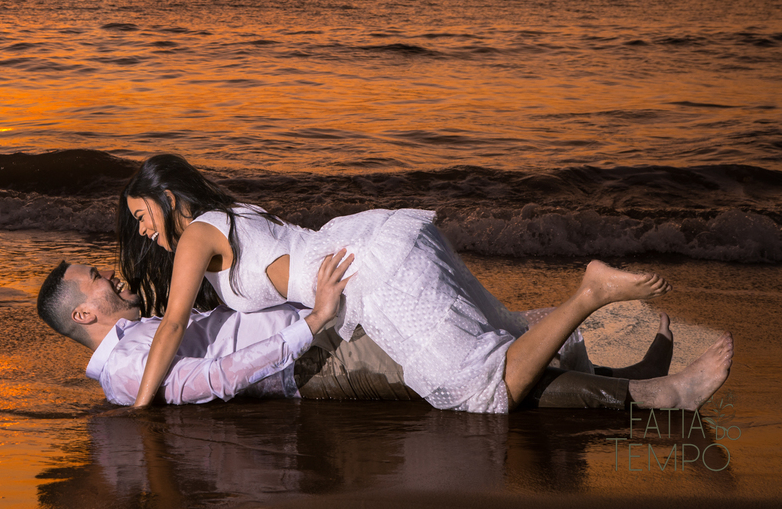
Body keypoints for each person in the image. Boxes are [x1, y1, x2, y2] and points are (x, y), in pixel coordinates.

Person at [118, 154, 733, 413]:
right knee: (501, 341)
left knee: (480, 390)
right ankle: (643, 382)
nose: (143, 232)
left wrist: (140, 406)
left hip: (376, 275)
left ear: (167, 197)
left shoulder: (197, 234)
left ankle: (593, 297)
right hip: (380, 245)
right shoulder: (233, 217)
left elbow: (173, 324)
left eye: (142, 216)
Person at [36, 256, 733, 411]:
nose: (108, 273)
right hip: (314, 363)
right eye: (95, 277)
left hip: (321, 331)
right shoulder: (128, 368)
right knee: (477, 375)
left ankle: (609, 367)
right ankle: (653, 397)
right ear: (83, 314)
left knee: (468, 330)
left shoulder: (141, 332)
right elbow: (212, 379)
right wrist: (312, 323)